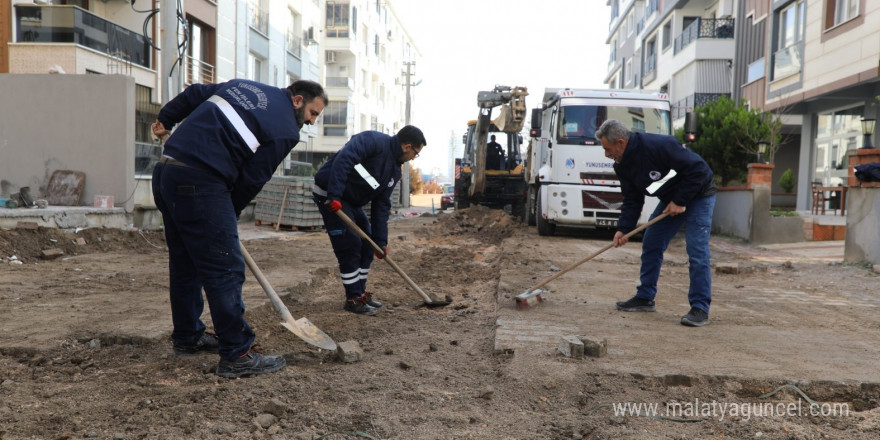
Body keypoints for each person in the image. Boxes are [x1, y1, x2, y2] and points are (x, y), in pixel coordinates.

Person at [151, 79, 327, 378]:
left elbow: (194, 93)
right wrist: (225, 218)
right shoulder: (286, 129)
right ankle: (237, 354)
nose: (311, 122)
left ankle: (188, 337)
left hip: (167, 172)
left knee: (185, 263)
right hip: (203, 180)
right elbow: (251, 179)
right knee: (226, 269)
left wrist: (166, 118)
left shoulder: (243, 86)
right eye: (313, 113)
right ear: (298, 100)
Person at [595, 119, 717, 327]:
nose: (606, 154)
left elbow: (699, 170)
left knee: (696, 251)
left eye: (608, 149)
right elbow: (633, 199)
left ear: (621, 143)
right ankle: (645, 297)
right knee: (651, 243)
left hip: (699, 194)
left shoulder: (659, 145)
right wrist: (623, 229)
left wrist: (680, 200)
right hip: (671, 199)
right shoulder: (622, 165)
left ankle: (699, 308)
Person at [312, 125, 427, 316]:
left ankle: (361, 292)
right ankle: (353, 299)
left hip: (351, 201)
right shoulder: (372, 141)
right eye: (415, 154)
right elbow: (345, 159)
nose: (413, 158)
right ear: (407, 146)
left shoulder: (393, 171)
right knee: (350, 244)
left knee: (368, 244)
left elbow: (381, 205)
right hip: (331, 194)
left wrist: (381, 242)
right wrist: (335, 194)